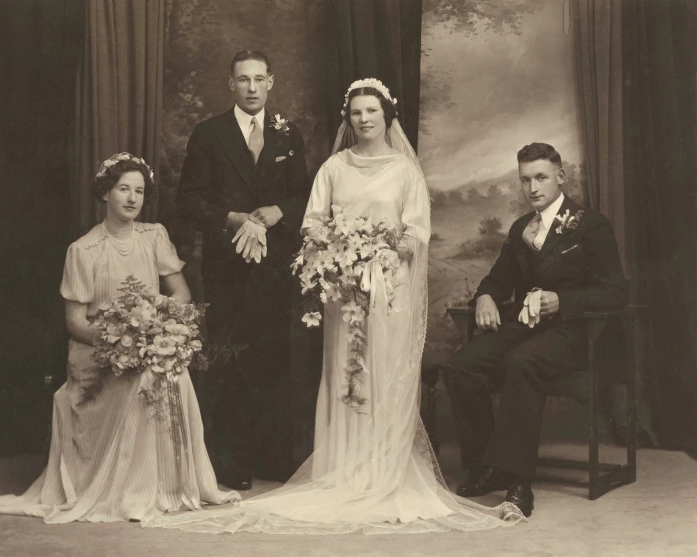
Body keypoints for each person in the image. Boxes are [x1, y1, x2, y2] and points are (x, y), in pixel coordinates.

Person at [144, 79, 524, 534]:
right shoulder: (333, 168)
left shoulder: (405, 171)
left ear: (387, 117)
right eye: (356, 112)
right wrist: (341, 252)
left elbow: (416, 231)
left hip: (389, 292)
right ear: (349, 118)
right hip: (344, 293)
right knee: (345, 373)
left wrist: (380, 253)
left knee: (382, 373)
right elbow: (311, 224)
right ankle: (343, 471)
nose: (363, 120)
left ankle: (383, 472)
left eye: (372, 112)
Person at [0, 153, 238, 523]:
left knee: (172, 373)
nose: (133, 199)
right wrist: (118, 340)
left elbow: (181, 294)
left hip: (147, 344)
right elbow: (75, 322)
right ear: (105, 194)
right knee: (144, 377)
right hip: (97, 354)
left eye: (139, 191)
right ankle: (132, 491)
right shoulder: (84, 250)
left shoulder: (154, 236)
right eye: (123, 190)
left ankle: (167, 487)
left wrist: (156, 323)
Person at [443, 142, 628, 518]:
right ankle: (485, 467)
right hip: (526, 328)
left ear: (561, 177)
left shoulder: (590, 225)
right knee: (460, 367)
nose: (533, 188)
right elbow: (499, 277)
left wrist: (563, 301)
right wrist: (485, 298)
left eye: (541, 177)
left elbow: (615, 292)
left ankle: (518, 484)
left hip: (575, 334)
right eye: (525, 180)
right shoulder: (520, 228)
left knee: (521, 362)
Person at [176, 50, 310, 490]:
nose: (252, 88)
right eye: (242, 80)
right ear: (230, 85)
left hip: (273, 270)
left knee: (273, 359)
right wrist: (232, 217)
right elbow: (190, 200)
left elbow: (307, 197)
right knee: (228, 360)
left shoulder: (288, 134)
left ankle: (272, 456)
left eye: (259, 79)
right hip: (226, 269)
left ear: (271, 81)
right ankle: (229, 461)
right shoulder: (209, 134)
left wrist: (278, 211)